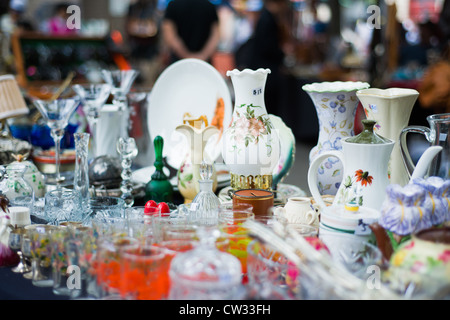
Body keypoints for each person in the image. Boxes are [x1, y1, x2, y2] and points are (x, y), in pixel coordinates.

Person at [237, 0, 293, 116]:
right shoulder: (268, 19)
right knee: (267, 109)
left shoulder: (264, 17)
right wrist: (282, 53)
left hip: (262, 71)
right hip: (266, 73)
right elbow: (268, 48)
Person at [126, 0, 162, 86]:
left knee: (148, 83)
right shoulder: (133, 8)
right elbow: (128, 26)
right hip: (135, 51)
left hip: (151, 52)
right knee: (134, 83)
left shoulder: (156, 7)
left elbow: (155, 29)